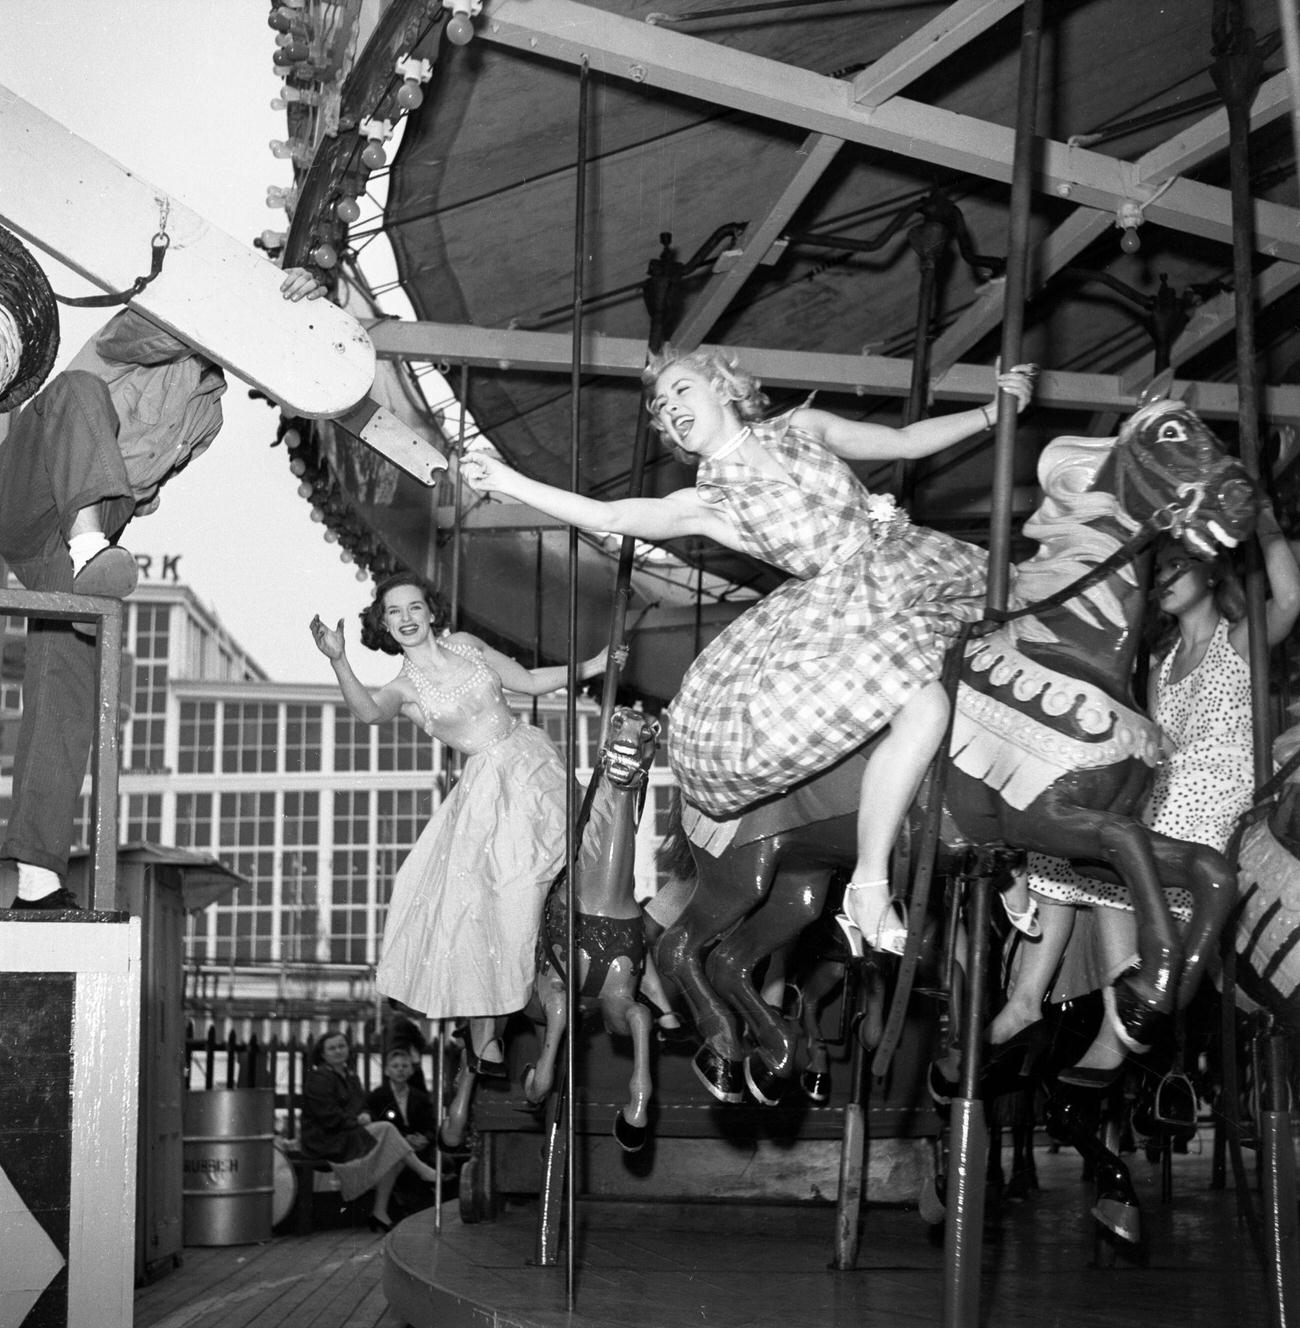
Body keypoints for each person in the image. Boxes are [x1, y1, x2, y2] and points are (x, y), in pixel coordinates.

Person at [462, 346, 1035, 956]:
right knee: (924, 709)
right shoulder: (709, 503)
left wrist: (992, 414)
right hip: (840, 610)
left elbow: (903, 442)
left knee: (1009, 647)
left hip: (905, 564)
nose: (669, 408)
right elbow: (606, 512)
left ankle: (1011, 846)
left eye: (681, 390)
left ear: (724, 387)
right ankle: (869, 882)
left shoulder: (803, 428)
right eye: (660, 406)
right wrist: (507, 481)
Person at [1, 267, 323, 911]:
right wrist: (251, 291)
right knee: (78, 393)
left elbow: (150, 490)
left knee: (70, 674)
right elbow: (127, 347)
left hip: (92, 521)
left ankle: (35, 876)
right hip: (32, 485)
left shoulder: (211, 418)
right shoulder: (157, 326)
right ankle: (92, 543)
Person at [987, 515, 1300, 1083]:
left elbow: (1291, 595)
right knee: (1062, 846)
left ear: (1212, 569)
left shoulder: (1240, 639)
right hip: (1172, 788)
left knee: (1118, 848)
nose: (1167, 579)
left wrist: (1268, 526)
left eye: (1179, 565)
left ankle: (1123, 1013)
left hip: (1220, 790)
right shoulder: (1157, 668)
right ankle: (1029, 996)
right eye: (1161, 573)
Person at [309, 572, 610, 1100]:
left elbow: (529, 680)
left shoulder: (467, 646)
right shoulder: (403, 689)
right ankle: (485, 1031)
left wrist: (590, 666)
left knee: (588, 851)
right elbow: (366, 711)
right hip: (486, 790)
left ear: (430, 611)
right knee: (492, 897)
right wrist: (338, 660)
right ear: (382, 625)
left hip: (531, 761)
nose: (406, 618)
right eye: (394, 612)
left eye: (414, 607)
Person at [298, 1029, 441, 1233]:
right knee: (386, 1128)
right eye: (332, 1048)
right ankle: (424, 1171)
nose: (338, 1051)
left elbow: (361, 1105)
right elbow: (327, 1116)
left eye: (342, 1046)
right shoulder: (320, 1078)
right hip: (326, 1139)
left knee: (396, 1155)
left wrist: (364, 1114)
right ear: (322, 1054)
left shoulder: (350, 1076)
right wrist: (356, 1121)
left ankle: (379, 1213)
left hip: (347, 1132)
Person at [366, 1047, 438, 1162]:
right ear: (386, 1071)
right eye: (395, 1066)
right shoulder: (377, 1096)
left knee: (445, 1164)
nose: (400, 1070)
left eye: (405, 1066)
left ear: (411, 1071)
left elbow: (432, 1125)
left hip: (420, 1148)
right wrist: (404, 1138)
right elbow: (376, 1125)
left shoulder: (421, 1097)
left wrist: (425, 1138)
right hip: (390, 1149)